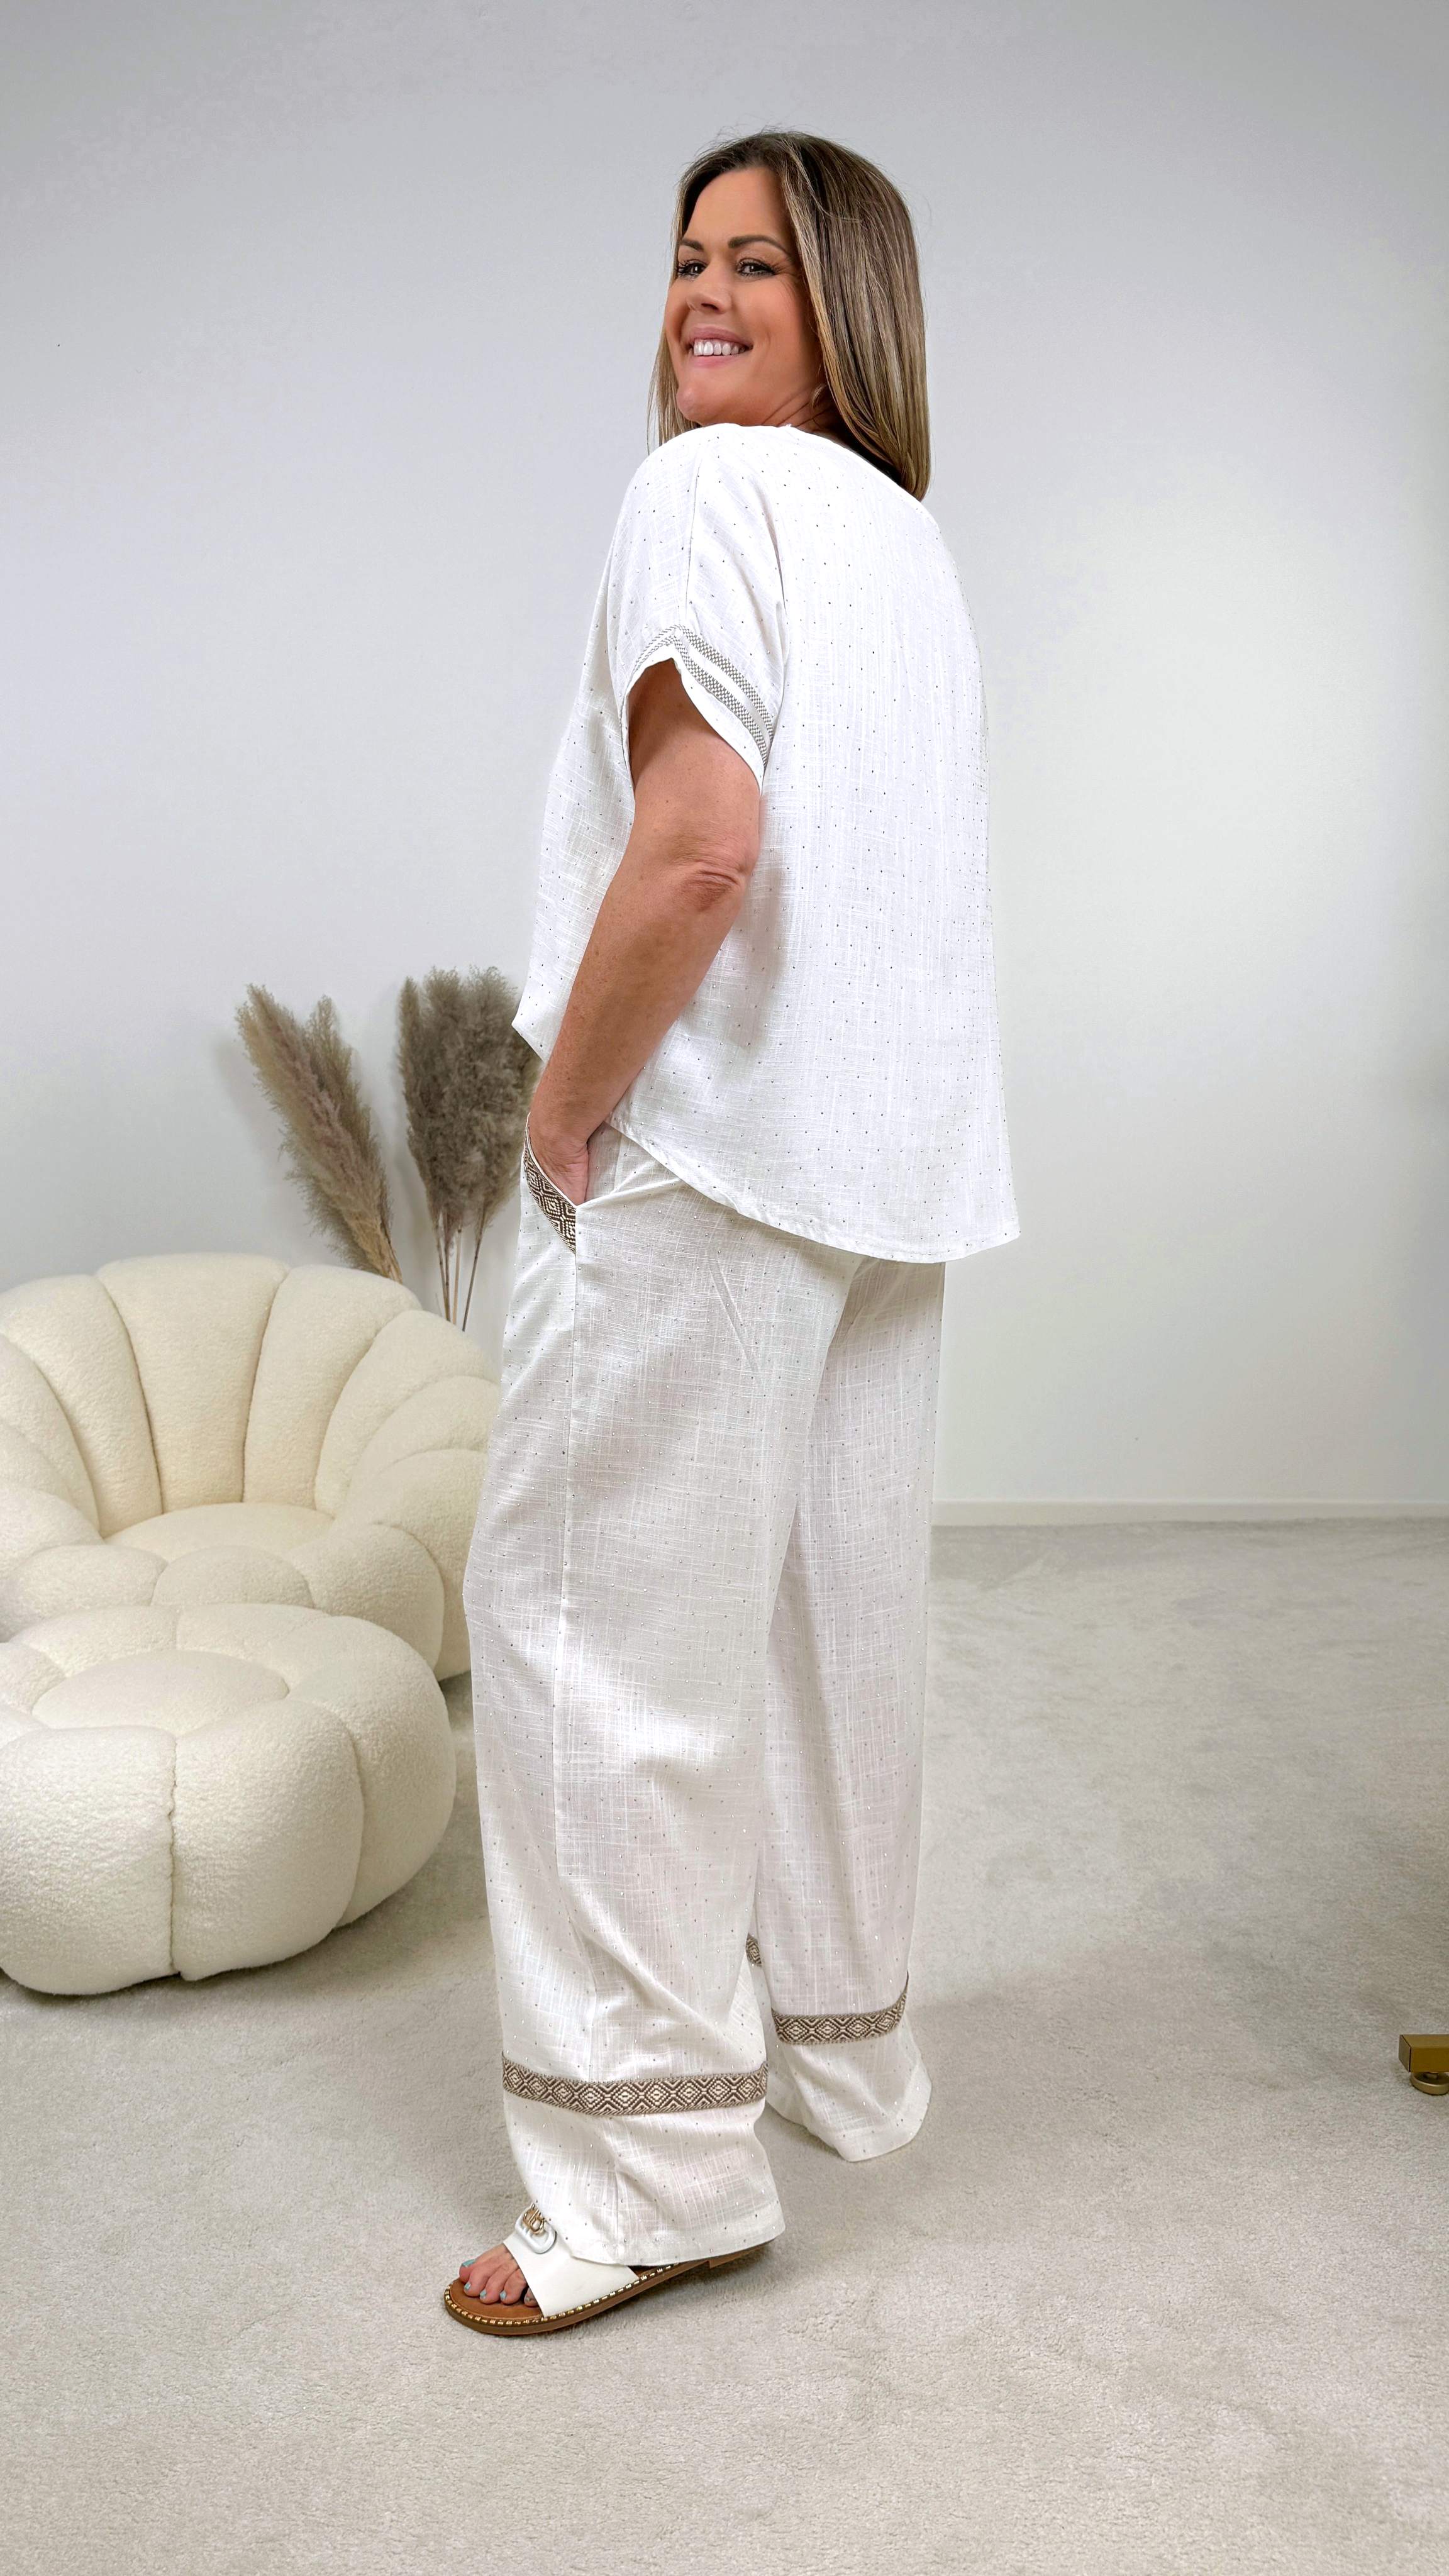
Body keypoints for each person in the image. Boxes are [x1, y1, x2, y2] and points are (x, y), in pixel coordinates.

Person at [448, 128, 1017, 2338]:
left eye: (759, 264)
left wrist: (565, 1108)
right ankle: (839, 2057)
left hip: (711, 1154)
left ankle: (645, 2174)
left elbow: (701, 846)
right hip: (884, 1172)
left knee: (588, 1641)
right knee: (821, 1633)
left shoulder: (703, 493)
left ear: (846, 306)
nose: (703, 294)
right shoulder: (905, 542)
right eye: (690, 257)